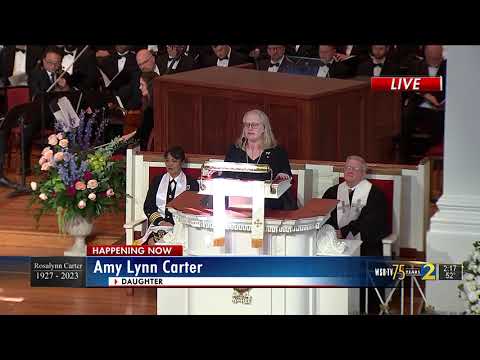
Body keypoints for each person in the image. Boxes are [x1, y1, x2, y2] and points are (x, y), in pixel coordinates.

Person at [223, 109, 297, 210]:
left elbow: (286, 173)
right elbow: (225, 174)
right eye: (246, 124)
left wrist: (282, 176)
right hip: (237, 202)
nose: (250, 128)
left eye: (254, 125)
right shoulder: (235, 150)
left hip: (269, 203)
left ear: (264, 128)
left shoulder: (277, 151)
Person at [322, 155, 389, 257]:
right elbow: (324, 216)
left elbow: (371, 223)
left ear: (363, 174)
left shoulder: (375, 194)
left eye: (355, 168)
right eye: (348, 167)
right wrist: (331, 232)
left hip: (364, 245)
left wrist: (344, 232)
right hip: (333, 242)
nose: (350, 170)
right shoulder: (332, 192)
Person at [143, 146, 199, 243]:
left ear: (182, 162)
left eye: (174, 161)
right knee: (153, 243)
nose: (170, 164)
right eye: (167, 161)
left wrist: (176, 225)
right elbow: (148, 206)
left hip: (181, 228)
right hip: (159, 225)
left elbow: (193, 211)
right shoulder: (157, 180)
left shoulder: (191, 183)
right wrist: (161, 221)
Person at [133, 71, 158, 151]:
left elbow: (143, 135)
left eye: (142, 85)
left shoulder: (151, 110)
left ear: (151, 86)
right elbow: (141, 130)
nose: (139, 87)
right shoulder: (147, 105)